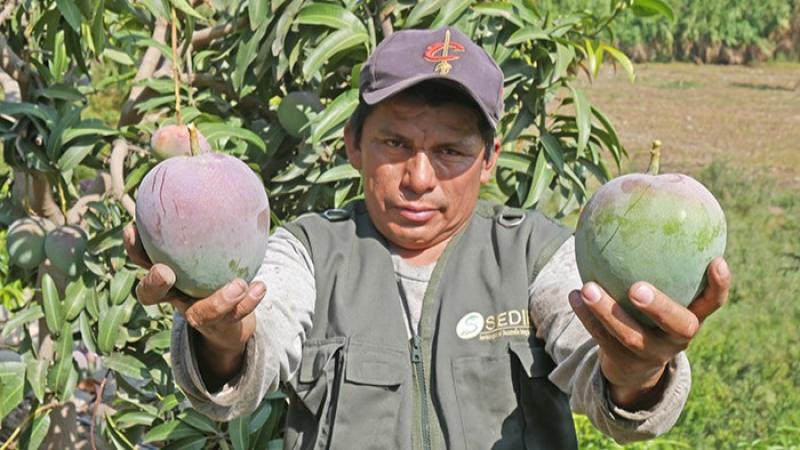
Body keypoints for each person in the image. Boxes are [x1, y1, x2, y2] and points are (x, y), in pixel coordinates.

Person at [124, 27, 730, 449]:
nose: (419, 179)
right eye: (395, 144)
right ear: (353, 144)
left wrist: (637, 371)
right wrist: (225, 341)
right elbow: (263, 338)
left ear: (489, 159)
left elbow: (597, 368)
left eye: (450, 151)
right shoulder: (307, 249)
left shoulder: (537, 253)